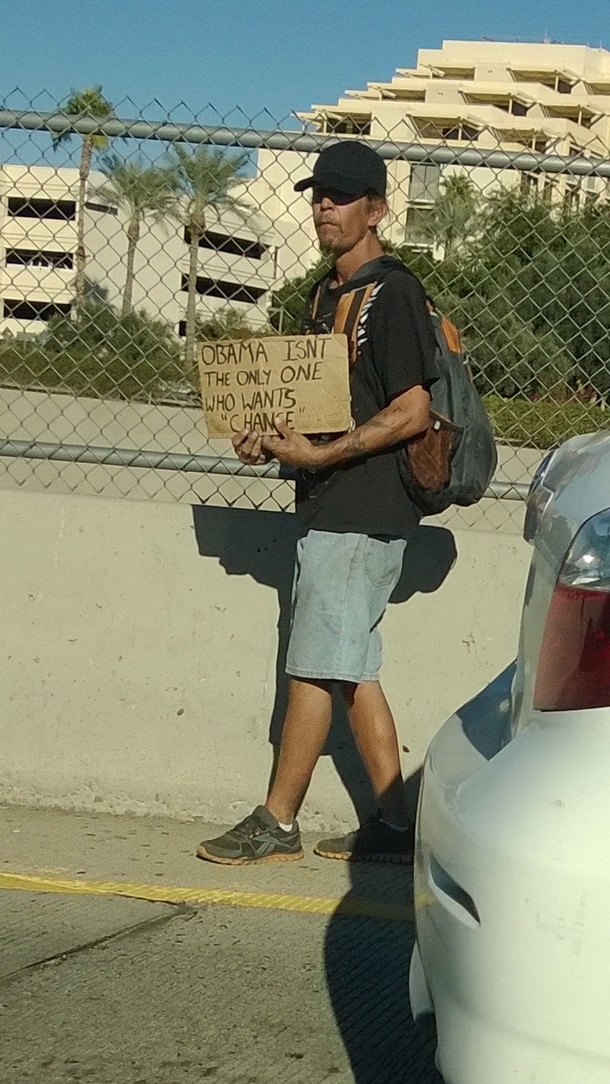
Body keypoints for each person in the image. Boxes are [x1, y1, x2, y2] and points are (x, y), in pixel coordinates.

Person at [197, 140, 438, 865]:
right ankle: (397, 824)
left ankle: (277, 822)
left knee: (311, 666)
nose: (322, 206)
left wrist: (325, 456)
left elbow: (413, 410)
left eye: (339, 195)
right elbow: (317, 406)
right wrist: (268, 440)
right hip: (332, 501)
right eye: (316, 194)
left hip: (363, 508)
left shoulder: (391, 293)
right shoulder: (325, 295)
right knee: (349, 665)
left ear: (377, 208)